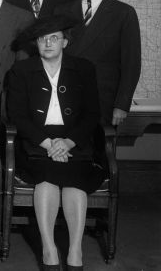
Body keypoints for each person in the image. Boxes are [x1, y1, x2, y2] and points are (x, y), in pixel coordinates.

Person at [7, 15, 105, 271]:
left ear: (65, 42)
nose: (48, 43)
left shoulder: (84, 68)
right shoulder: (21, 71)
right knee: (47, 179)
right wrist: (49, 143)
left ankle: (75, 251)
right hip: (36, 141)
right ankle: (49, 249)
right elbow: (17, 115)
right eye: (42, 39)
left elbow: (92, 113)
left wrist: (69, 142)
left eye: (54, 38)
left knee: (74, 182)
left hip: (75, 141)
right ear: (35, 44)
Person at [55, 0, 141, 126]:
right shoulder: (61, 11)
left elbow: (131, 63)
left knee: (99, 151)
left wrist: (122, 105)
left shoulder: (123, 13)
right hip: (65, 97)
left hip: (104, 101)